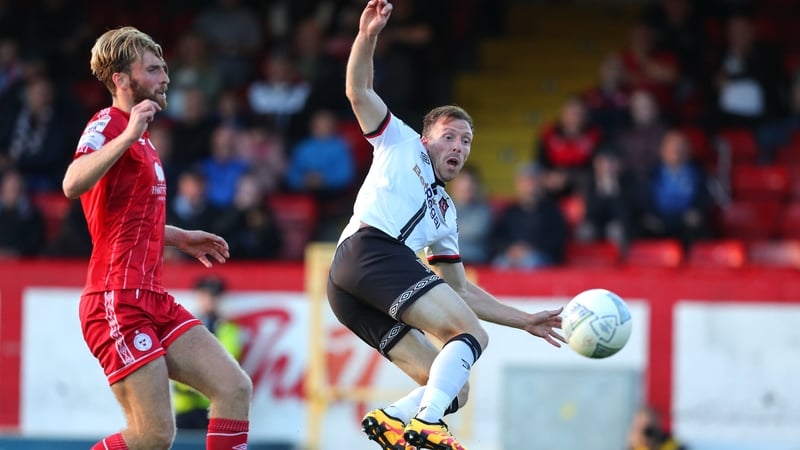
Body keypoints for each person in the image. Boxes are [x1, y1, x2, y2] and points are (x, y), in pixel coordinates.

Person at [326, 3, 565, 450]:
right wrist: (367, 35)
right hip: (368, 251)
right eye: (450, 135)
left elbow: (461, 290)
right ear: (426, 137)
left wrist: (527, 320)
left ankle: (394, 418)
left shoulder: (446, 214)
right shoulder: (398, 141)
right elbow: (358, 90)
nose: (459, 146)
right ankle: (426, 425)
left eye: (467, 141)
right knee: (471, 335)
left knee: (455, 387)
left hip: (347, 290)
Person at [61, 27, 251, 450]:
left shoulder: (142, 138)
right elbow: (72, 183)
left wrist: (179, 236)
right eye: (153, 69)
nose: (165, 76)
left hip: (151, 297)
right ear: (122, 80)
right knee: (153, 436)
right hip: (115, 298)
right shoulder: (109, 123)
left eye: (164, 67)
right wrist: (126, 136)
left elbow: (125, 220)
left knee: (234, 388)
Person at [174, 276, 246, 430]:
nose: (208, 300)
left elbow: (227, 358)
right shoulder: (184, 323)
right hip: (186, 403)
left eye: (213, 296)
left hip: (212, 405)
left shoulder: (227, 328)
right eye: (204, 295)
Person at [490, 164, 568, 270]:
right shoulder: (511, 211)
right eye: (525, 181)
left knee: (530, 262)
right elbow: (498, 238)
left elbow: (557, 240)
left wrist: (530, 248)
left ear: (540, 183)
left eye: (533, 180)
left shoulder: (552, 211)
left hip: (541, 257)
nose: (529, 185)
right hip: (511, 256)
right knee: (499, 264)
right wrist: (510, 249)